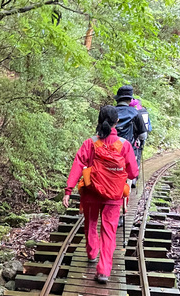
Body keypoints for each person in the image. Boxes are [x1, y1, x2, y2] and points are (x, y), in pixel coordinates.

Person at [62, 106, 139, 284]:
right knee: (109, 231)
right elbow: (133, 174)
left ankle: (91, 254)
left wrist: (68, 190)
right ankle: (103, 271)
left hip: (91, 193)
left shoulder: (90, 143)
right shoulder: (124, 145)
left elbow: (77, 165)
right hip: (113, 195)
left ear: (99, 120)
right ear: (117, 122)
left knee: (90, 223)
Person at [114, 85, 147, 189]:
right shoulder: (135, 113)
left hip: (107, 148)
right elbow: (143, 135)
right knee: (127, 174)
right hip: (126, 149)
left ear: (118, 99)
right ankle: (124, 199)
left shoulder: (110, 112)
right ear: (130, 100)